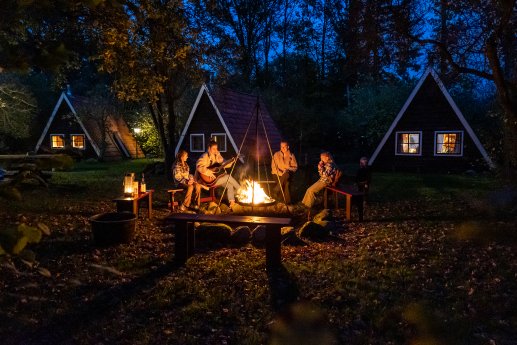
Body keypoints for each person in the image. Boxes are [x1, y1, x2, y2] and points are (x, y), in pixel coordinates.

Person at [195, 141, 240, 209]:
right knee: (228, 177)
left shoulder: (217, 155)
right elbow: (199, 166)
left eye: (216, 148)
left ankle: (232, 203)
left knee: (229, 185)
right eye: (214, 149)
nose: (216, 150)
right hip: (207, 180)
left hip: (216, 178)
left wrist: (231, 161)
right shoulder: (204, 156)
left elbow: (223, 163)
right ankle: (240, 189)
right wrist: (208, 172)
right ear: (209, 148)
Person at [271, 140, 298, 204]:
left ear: (288, 147)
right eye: (281, 146)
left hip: (287, 174)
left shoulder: (291, 155)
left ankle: (277, 190)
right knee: (286, 182)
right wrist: (281, 173)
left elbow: (295, 168)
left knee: (286, 177)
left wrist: (288, 168)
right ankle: (287, 203)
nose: (282, 148)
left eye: (284, 147)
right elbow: (273, 167)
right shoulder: (276, 154)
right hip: (276, 174)